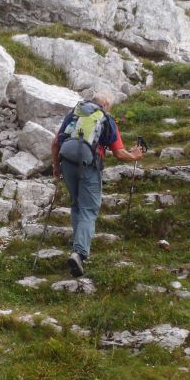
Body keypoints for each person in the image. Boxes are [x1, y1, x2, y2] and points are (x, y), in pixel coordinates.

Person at [51, 89, 144, 277]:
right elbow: (118, 152)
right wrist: (134, 155)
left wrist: (56, 168)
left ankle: (77, 243)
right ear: (107, 105)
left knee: (76, 204)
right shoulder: (105, 118)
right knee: (89, 208)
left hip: (67, 163)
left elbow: (55, 143)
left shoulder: (74, 114)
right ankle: (80, 253)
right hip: (88, 166)